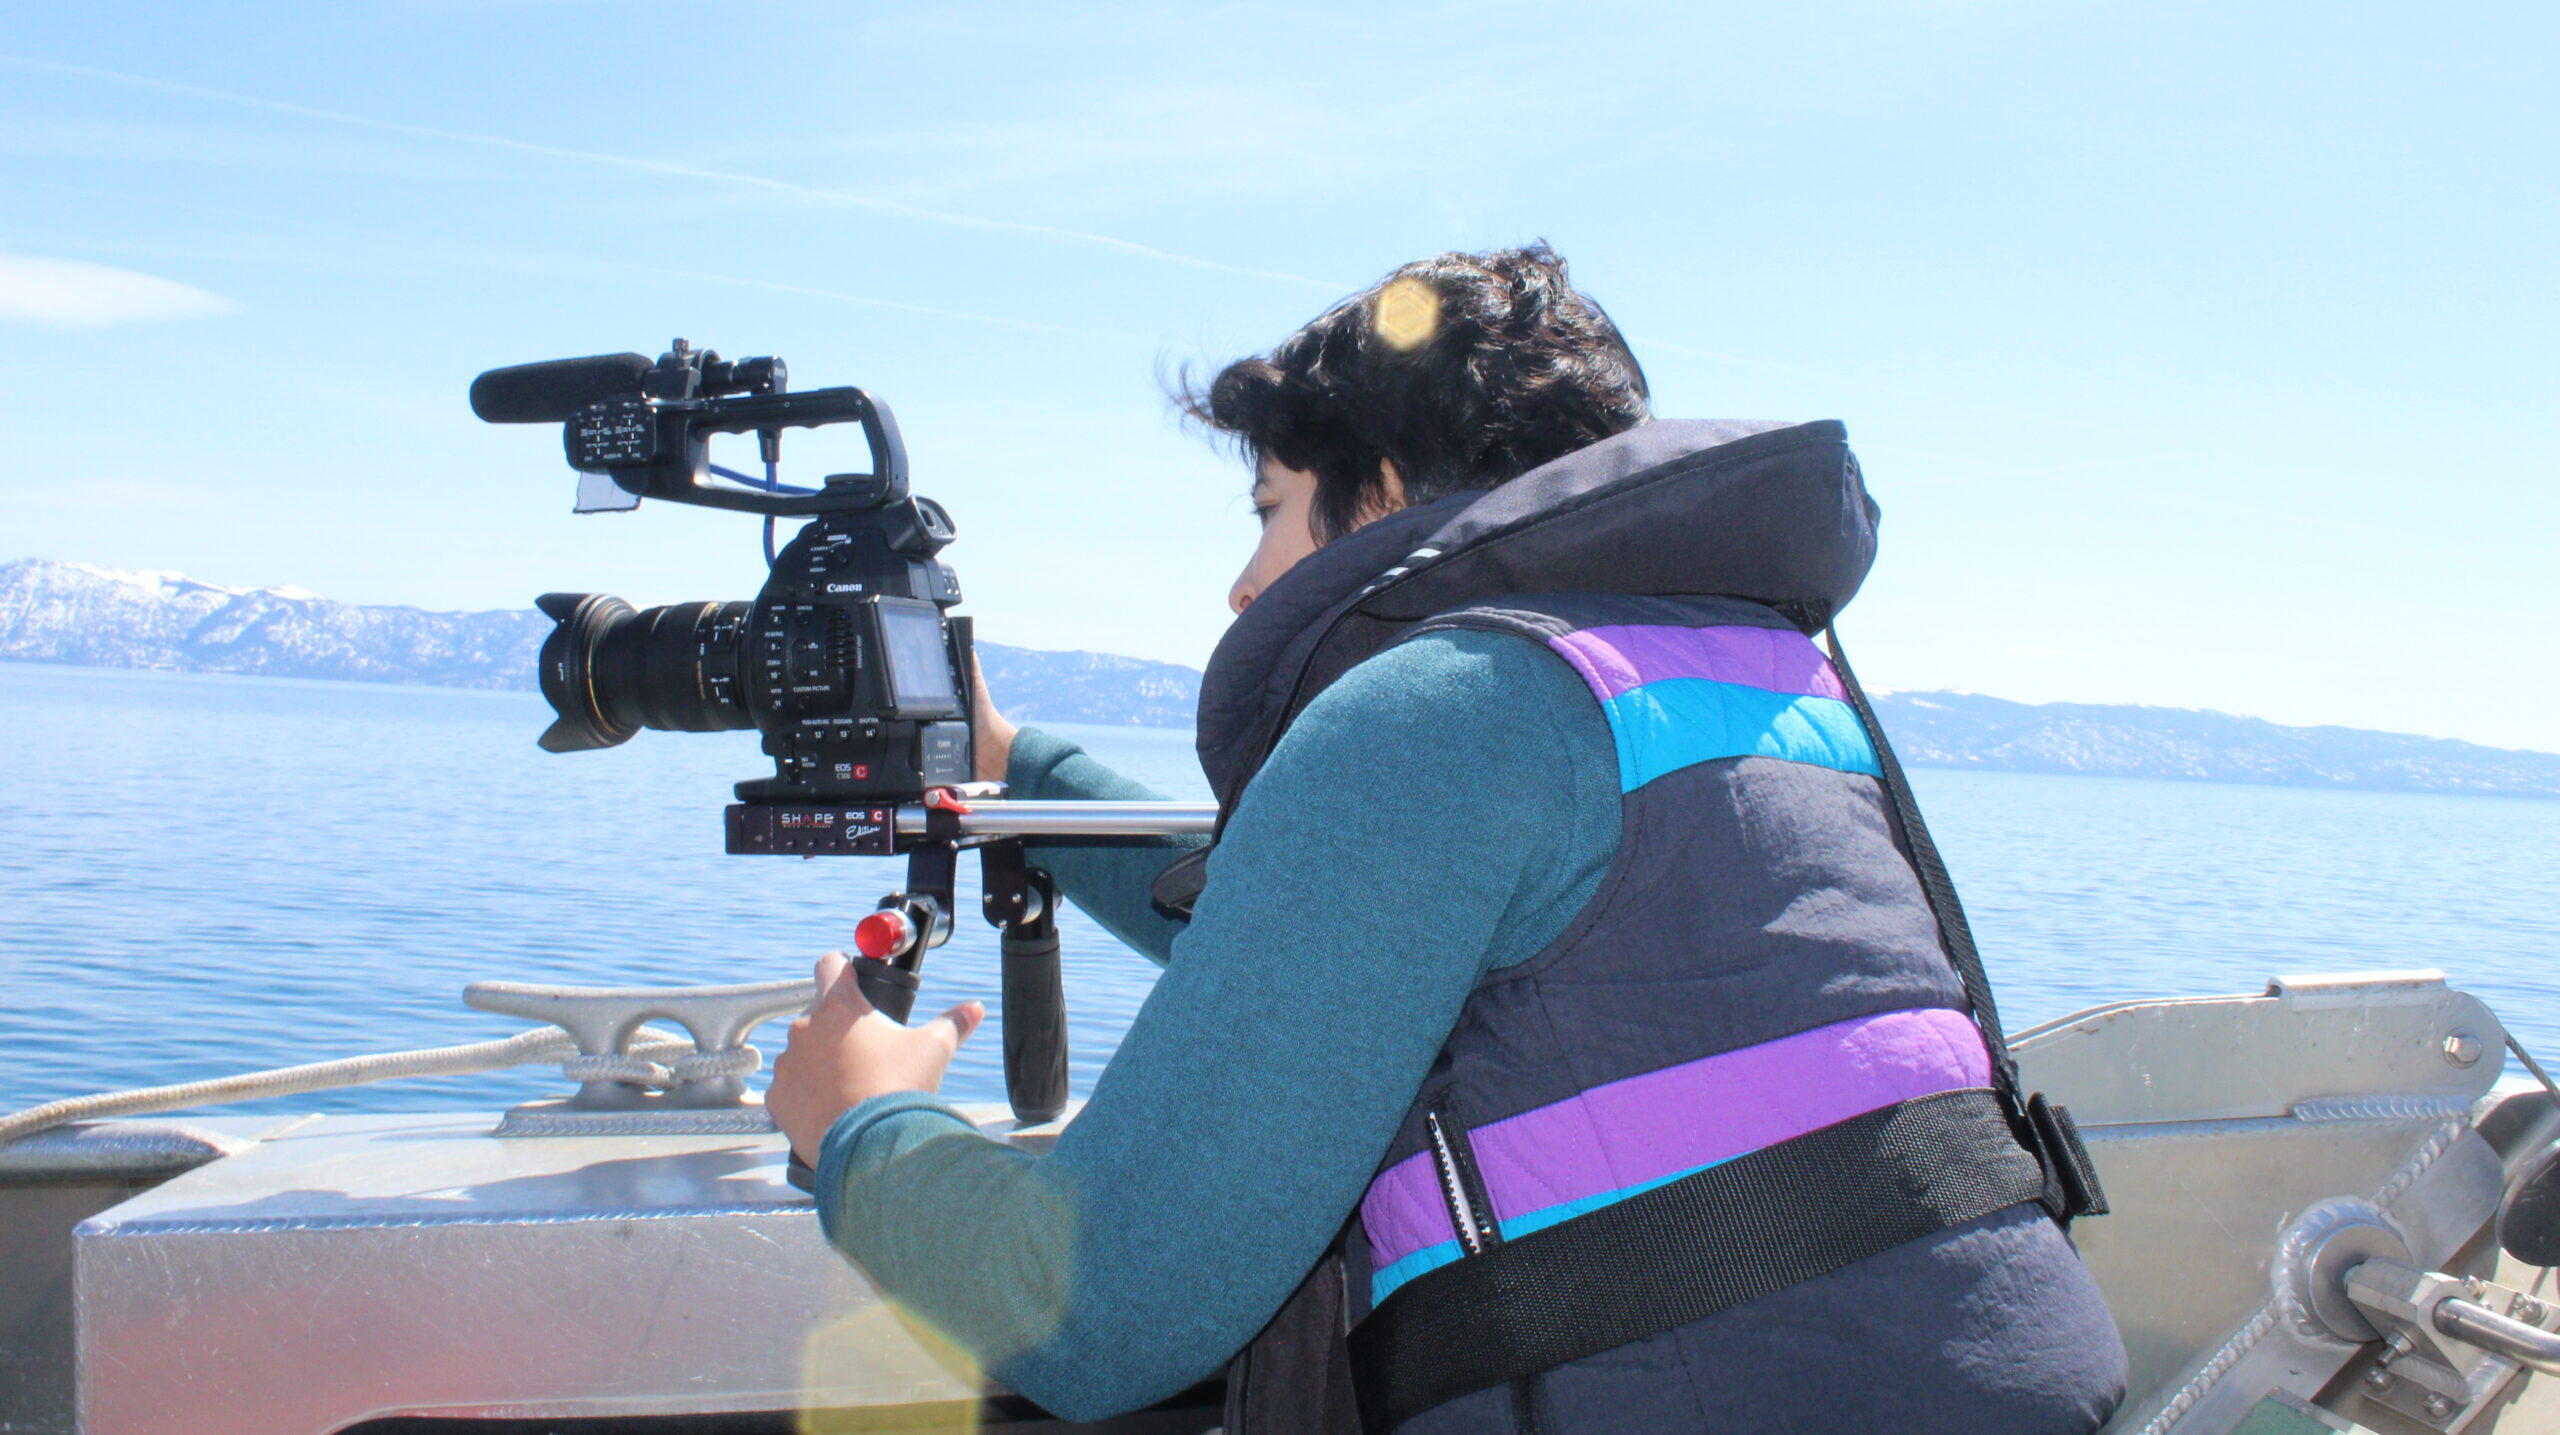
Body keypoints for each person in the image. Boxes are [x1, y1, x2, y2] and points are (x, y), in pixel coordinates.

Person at [767, 244, 2130, 1433]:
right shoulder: (1744, 683)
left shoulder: (1441, 706)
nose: (1242, 581)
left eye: (1269, 512)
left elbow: (1093, 1315)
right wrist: (1013, 767)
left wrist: (860, 1119)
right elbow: (1361, 957)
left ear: (1394, 487)